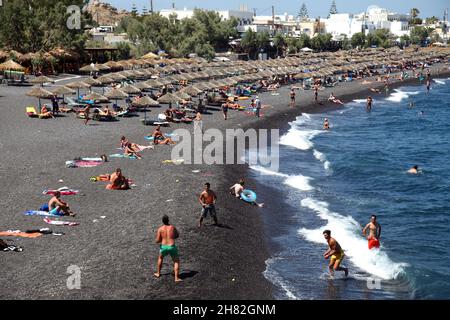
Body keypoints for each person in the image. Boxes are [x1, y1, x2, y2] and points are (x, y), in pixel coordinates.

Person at [154, 215, 182, 282]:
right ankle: (176, 278)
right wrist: (171, 237)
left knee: (160, 258)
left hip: (164, 247)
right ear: (168, 220)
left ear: (162, 221)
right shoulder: (172, 227)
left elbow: (157, 240)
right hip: (171, 246)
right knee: (176, 261)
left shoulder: (160, 229)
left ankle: (158, 273)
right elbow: (177, 235)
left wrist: (162, 239)